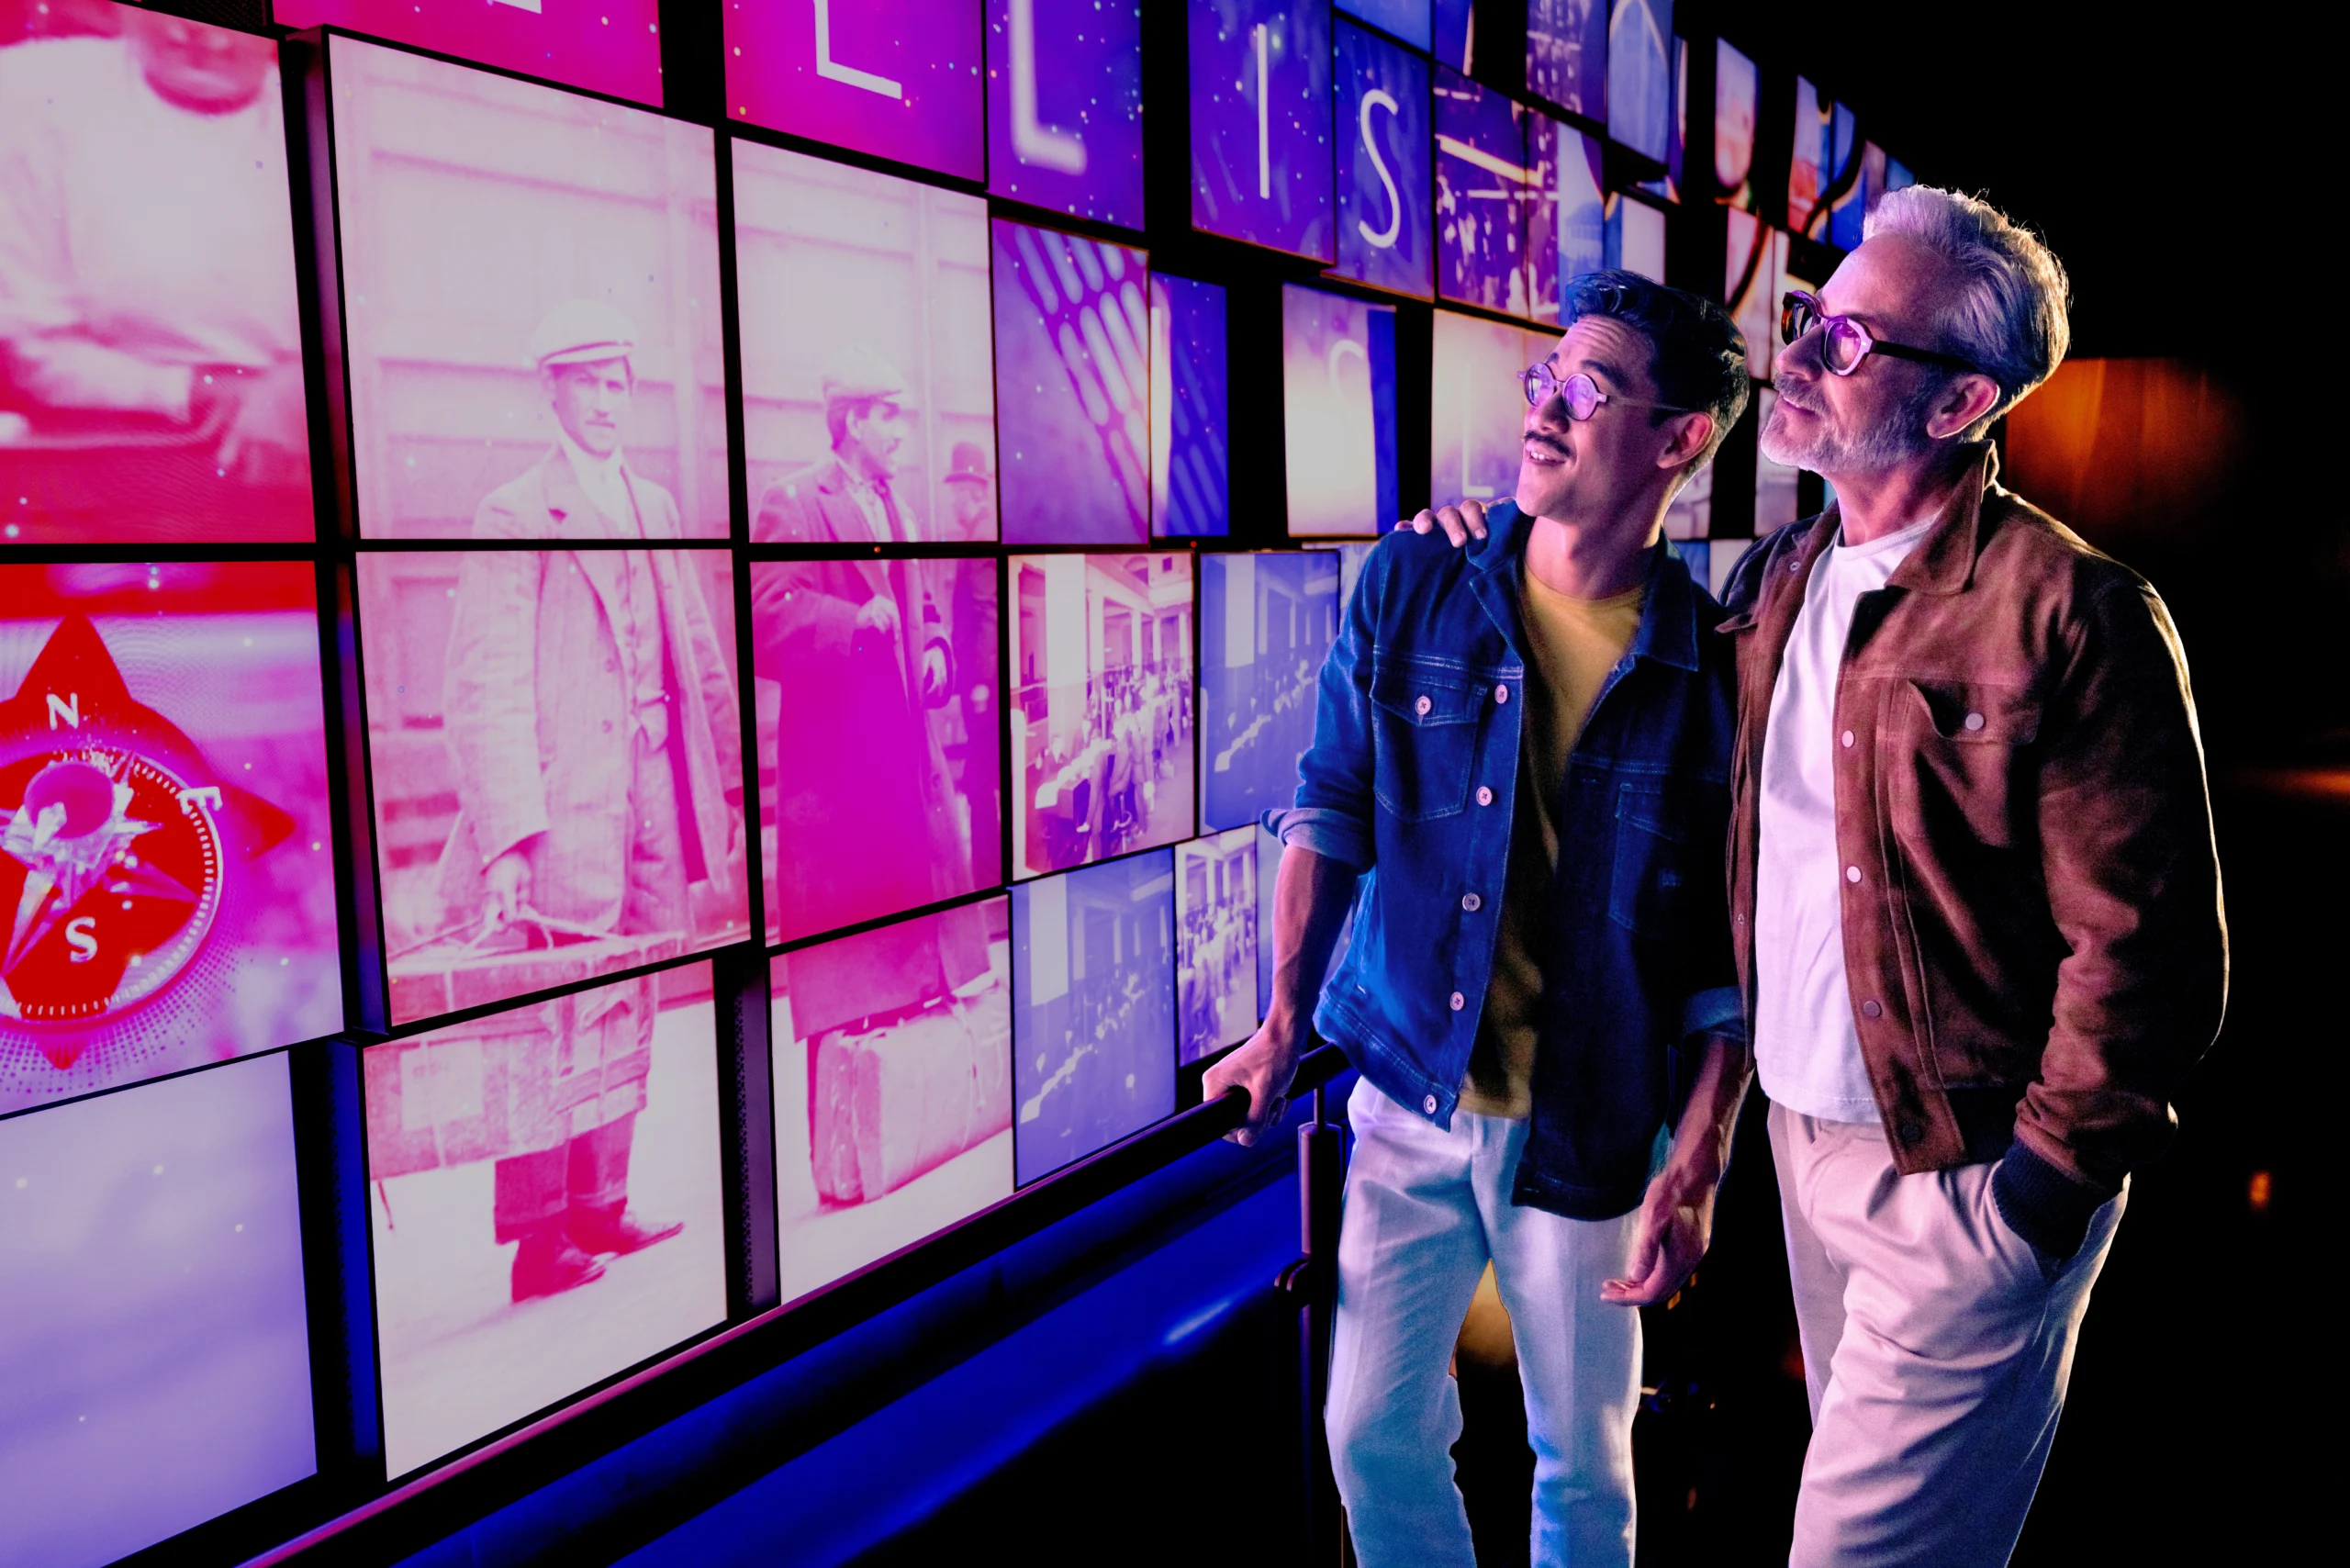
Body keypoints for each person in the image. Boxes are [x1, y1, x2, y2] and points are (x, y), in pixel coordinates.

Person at [1418, 191, 2229, 1565]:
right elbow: (1750, 873)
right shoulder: (1788, 578)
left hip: (1965, 1174)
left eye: (1846, 342)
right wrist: (1497, 548)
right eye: (1806, 317)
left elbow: (2148, 963)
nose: (1793, 358)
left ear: (1964, 398)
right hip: (1807, 1152)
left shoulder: (2071, 612)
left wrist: (2028, 1202)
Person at [1208, 272, 1753, 1567]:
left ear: (1680, 440)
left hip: (1587, 1121)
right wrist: (1283, 1021)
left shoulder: (1711, 666)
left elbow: (1729, 948)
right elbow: (1330, 801)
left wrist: (1705, 1147)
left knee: (1585, 1464)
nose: (1547, 412)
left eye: (1593, 388)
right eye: (1545, 381)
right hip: (1403, 1086)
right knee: (1369, 1434)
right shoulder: (1417, 578)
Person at [436, 299, 745, 1304]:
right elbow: (487, 682)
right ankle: (536, 1241)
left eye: (621, 384)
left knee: (634, 994)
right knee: (551, 1013)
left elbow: (696, 656)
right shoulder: (515, 512)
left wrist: (721, 791)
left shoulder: (651, 504)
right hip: (563, 805)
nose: (610, 401)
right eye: (590, 383)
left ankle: (603, 1202)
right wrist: (507, 838)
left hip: (655, 794)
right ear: (551, 391)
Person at [0, 8, 308, 515]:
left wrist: (307, 390)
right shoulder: (32, 93)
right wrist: (204, 391)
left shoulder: (342, 106)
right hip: (113, 450)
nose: (202, 33)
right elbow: (33, 351)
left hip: (317, 448)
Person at [752, 344, 920, 544]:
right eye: (888, 418)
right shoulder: (795, 507)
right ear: (855, 424)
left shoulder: (903, 514)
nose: (902, 433)